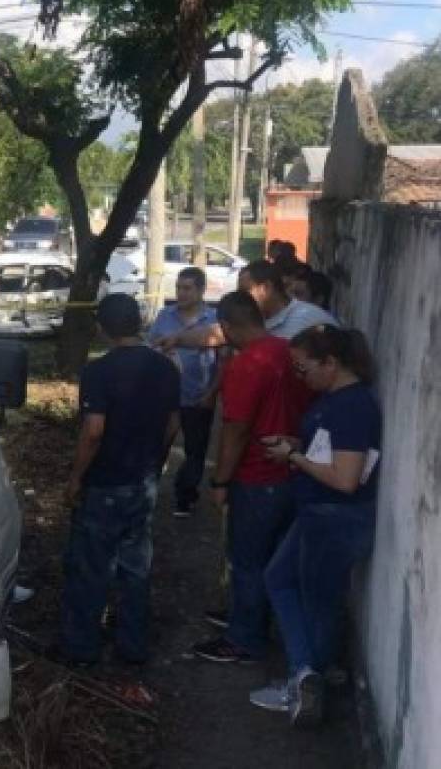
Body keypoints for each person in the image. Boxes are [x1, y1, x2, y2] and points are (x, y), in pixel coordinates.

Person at [248, 326, 380, 727]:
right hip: (318, 513)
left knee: (319, 603)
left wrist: (294, 457)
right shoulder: (335, 401)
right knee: (279, 579)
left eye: (304, 369)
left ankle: (307, 683)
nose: (299, 376)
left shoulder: (352, 406)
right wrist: (297, 445)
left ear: (331, 363)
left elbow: (345, 478)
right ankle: (305, 672)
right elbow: (331, 451)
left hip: (334, 517)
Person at [53, 294, 181, 666]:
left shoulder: (99, 371)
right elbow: (174, 422)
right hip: (143, 480)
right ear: (139, 322)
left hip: (105, 482)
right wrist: (155, 459)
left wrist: (76, 477)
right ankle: (132, 645)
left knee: (91, 566)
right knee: (135, 565)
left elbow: (93, 431)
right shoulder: (165, 368)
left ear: (102, 328)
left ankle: (81, 647)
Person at [192, 291, 310, 664]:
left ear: (226, 327)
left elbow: (236, 431)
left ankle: (245, 639)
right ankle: (252, 617)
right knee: (272, 558)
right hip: (293, 468)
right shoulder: (287, 351)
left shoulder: (246, 365)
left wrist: (220, 481)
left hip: (258, 476)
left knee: (247, 559)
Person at [147, 267, 218, 516]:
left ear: (201, 290)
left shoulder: (213, 320)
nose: (181, 293)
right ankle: (149, 490)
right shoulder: (165, 316)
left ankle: (185, 495)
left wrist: (212, 392)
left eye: (187, 288)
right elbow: (151, 348)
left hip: (198, 395)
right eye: (178, 287)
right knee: (159, 443)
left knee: (195, 449)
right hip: (164, 397)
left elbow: (223, 361)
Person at [159, 259, 336, 351]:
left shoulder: (310, 319)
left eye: (245, 290)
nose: (240, 296)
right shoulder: (252, 319)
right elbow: (214, 334)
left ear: (266, 288)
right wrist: (177, 339)